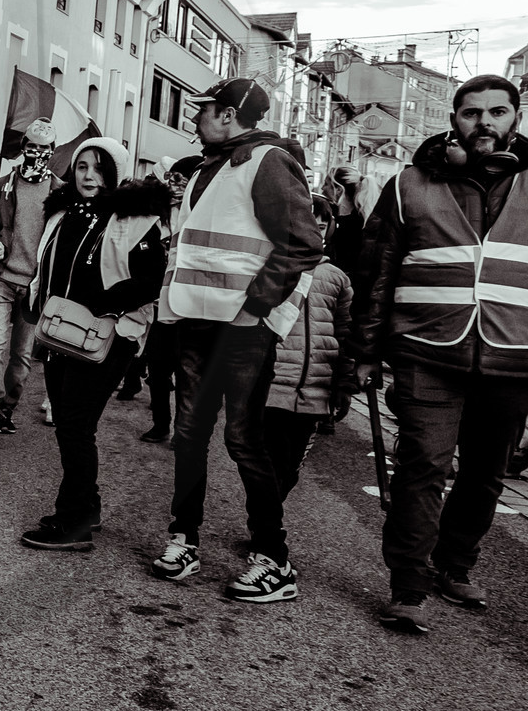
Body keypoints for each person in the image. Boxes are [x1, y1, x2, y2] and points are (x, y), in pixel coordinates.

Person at [349, 75, 528, 633]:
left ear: (516, 117)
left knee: (486, 474)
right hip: (426, 350)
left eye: (496, 112)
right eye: (471, 113)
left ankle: (454, 564)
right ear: (454, 118)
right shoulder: (409, 184)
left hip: (515, 356)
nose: (483, 123)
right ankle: (409, 584)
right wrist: (365, 351)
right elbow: (376, 272)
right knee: (422, 467)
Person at [151, 78, 325, 602]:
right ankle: (184, 538)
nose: (195, 119)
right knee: (188, 434)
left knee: (243, 440)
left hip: (241, 328)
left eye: (204, 110)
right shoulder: (212, 166)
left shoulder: (265, 161)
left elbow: (302, 245)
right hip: (197, 321)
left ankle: (274, 558)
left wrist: (255, 310)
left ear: (228, 116)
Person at [20, 139, 169, 550]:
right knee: (69, 424)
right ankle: (89, 504)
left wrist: (99, 306)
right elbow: (46, 268)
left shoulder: (136, 220)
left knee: (75, 427)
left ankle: (74, 521)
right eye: (82, 166)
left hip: (108, 336)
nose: (88, 176)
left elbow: (149, 281)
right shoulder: (63, 214)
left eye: (99, 169)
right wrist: (36, 298)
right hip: (59, 333)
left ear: (116, 175)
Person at [261, 194, 353, 501]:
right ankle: (264, 523)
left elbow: (345, 332)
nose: (315, 230)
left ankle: (268, 515)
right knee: (269, 460)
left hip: (316, 389)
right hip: (273, 384)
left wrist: (343, 382)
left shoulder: (336, 277)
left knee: (291, 465)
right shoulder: (272, 267)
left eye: (323, 225)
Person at [0, 117, 60, 437]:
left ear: (52, 151)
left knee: (21, 356)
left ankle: (7, 408)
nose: (36, 153)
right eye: (31, 147)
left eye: (43, 149)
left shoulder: (60, 193)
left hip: (35, 286)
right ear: (22, 147)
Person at [138, 155, 203, 445]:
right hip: (159, 301)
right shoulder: (157, 212)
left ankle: (184, 429)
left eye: (180, 180)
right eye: (171, 178)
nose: (173, 185)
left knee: (187, 371)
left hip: (190, 303)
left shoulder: (201, 213)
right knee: (157, 364)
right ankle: (160, 424)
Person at [324, 164, 381, 280]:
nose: (322, 188)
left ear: (338, 190)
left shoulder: (349, 225)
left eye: (326, 184)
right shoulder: (365, 220)